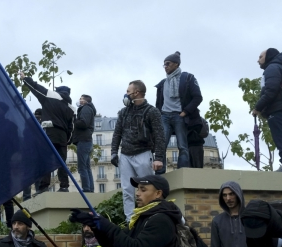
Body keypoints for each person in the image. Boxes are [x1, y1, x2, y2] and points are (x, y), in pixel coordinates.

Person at [110, 80, 165, 222]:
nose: (126, 94)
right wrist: (114, 152)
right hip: (125, 156)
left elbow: (159, 135)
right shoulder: (123, 112)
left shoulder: (152, 111)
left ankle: (150, 218)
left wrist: (158, 157)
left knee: (147, 188)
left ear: (137, 92)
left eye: (128, 92)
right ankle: (130, 221)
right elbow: (117, 133)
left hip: (143, 153)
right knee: (127, 191)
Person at [19, 71, 75, 193]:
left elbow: (37, 89)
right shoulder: (71, 108)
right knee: (62, 162)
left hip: (50, 132)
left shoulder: (51, 97)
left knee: (46, 159)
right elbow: (72, 127)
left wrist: (25, 79)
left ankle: (44, 187)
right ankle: (64, 186)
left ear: (58, 91)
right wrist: (67, 140)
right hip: (63, 137)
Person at [155, 51, 203, 174]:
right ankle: (160, 174)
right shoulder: (163, 83)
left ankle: (182, 172)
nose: (165, 66)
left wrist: (185, 112)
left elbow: (198, 97)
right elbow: (158, 103)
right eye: (164, 65)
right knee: (161, 146)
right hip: (165, 116)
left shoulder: (187, 78)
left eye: (167, 64)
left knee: (182, 146)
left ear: (176, 64)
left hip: (179, 116)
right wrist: (160, 115)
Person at [252, 48, 282, 172]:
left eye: (260, 57)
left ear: (269, 56)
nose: (258, 60)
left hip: (277, 107)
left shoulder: (272, 68)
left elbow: (271, 90)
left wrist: (258, 108)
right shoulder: (280, 67)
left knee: (281, 136)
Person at [73, 95, 97, 192]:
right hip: (86, 141)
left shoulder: (86, 109)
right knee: (86, 167)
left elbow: (83, 123)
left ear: (85, 101)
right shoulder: (88, 109)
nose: (79, 100)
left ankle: (86, 189)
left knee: (82, 167)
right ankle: (89, 189)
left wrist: (74, 119)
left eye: (81, 99)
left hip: (83, 141)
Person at [23, 109, 43, 201]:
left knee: (31, 177)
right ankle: (30, 196)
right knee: (34, 177)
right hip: (33, 154)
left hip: (30, 154)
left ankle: (27, 197)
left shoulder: (28, 125)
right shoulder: (36, 125)